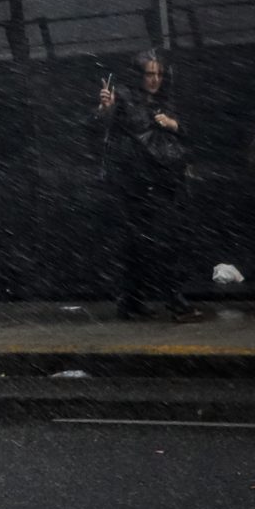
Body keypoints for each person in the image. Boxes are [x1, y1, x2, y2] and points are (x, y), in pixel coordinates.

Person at [92, 51, 200, 322]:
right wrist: (105, 108)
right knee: (160, 240)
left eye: (158, 74)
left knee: (142, 243)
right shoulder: (126, 97)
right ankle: (173, 300)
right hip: (139, 182)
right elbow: (102, 123)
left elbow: (184, 133)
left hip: (162, 179)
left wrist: (174, 125)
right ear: (138, 75)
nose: (155, 80)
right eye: (149, 74)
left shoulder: (164, 100)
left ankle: (132, 301)